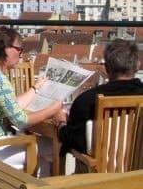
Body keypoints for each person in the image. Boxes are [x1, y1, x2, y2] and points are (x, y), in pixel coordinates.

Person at [0, 26, 62, 176]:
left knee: (43, 150)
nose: (21, 54)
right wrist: (52, 110)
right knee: (53, 147)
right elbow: (21, 121)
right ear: (6, 49)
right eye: (19, 49)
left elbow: (11, 104)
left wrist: (35, 88)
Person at [56, 39, 143, 173]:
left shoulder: (87, 100)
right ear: (138, 65)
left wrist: (61, 123)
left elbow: (72, 140)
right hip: (137, 176)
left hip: (98, 178)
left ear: (107, 68)